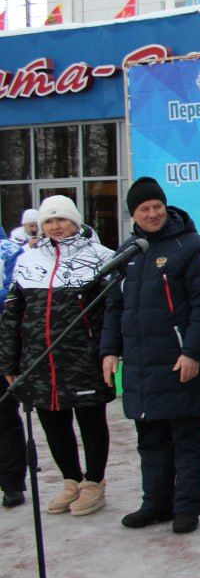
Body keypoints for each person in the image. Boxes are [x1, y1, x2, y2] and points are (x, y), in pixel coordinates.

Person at [100, 178, 200, 534]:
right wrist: (109, 350)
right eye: (144, 209)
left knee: (186, 439)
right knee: (150, 439)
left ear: (165, 207)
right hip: (139, 363)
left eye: (157, 206)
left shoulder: (192, 246)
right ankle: (156, 503)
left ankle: (186, 507)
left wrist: (193, 351)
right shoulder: (128, 252)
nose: (152, 214)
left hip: (177, 360)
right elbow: (113, 306)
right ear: (133, 214)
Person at [0, 196, 116, 517]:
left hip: (84, 358)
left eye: (61, 220)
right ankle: (71, 481)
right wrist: (8, 362)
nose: (55, 226)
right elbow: (13, 312)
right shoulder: (28, 258)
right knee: (53, 421)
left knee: (91, 420)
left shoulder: (101, 257)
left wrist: (110, 351)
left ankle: (94, 482)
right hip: (40, 359)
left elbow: (113, 312)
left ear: (75, 221)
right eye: (49, 221)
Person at [0, 235, 27, 508]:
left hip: (2, 340)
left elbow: (13, 295)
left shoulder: (9, 251)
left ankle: (11, 483)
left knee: (4, 416)